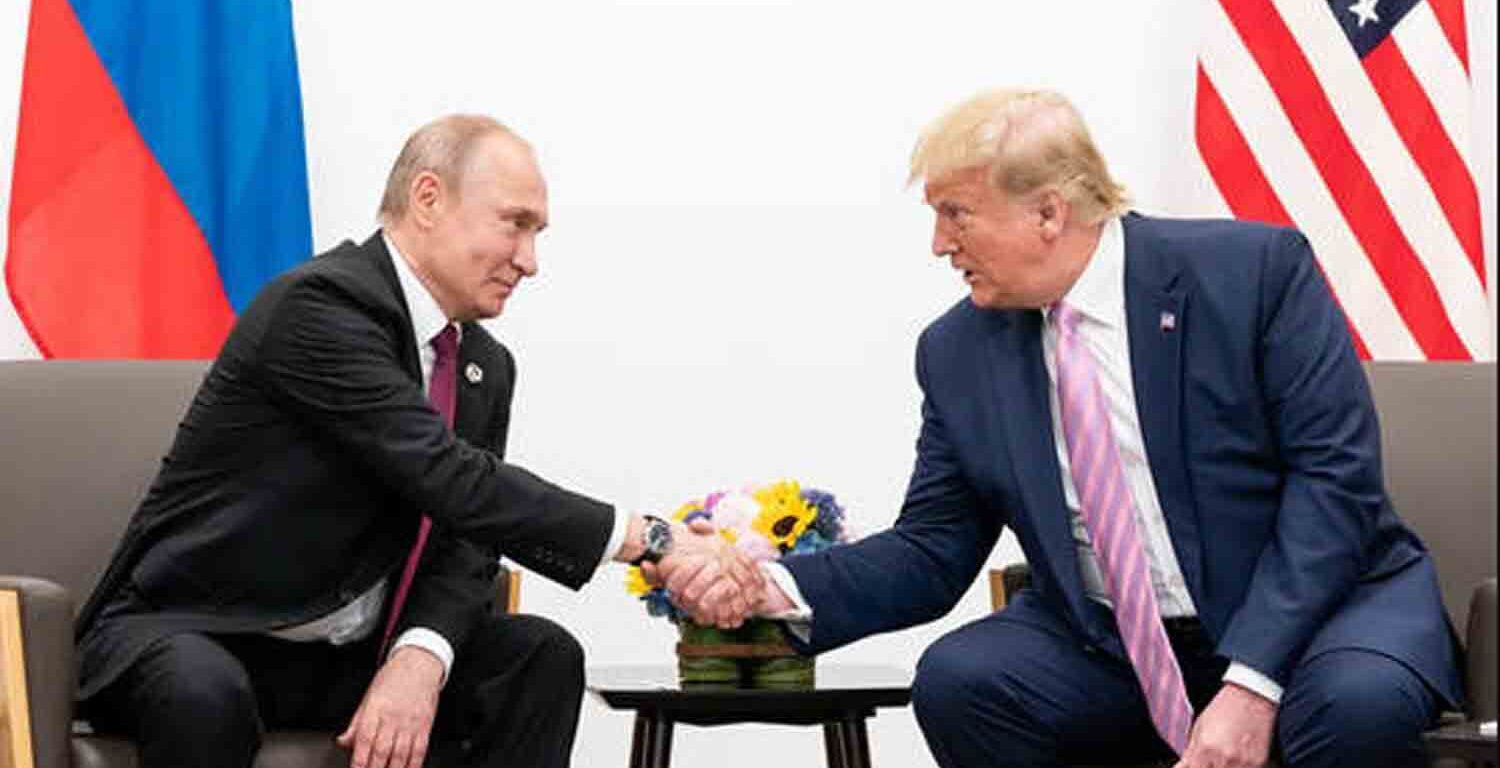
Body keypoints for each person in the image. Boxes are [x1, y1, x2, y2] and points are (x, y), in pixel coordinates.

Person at [660, 89, 1460, 768]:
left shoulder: (1253, 275)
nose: (940, 244)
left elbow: (1334, 486)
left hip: (1321, 615)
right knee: (964, 683)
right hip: (1114, 644)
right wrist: (769, 582)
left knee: (1354, 709)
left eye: (956, 214)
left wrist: (1252, 682)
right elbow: (935, 546)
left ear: (1049, 211)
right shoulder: (957, 350)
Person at [75, 114, 760, 768]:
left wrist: (420, 654)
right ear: (428, 198)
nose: (530, 261)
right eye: (515, 225)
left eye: (538, 233)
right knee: (205, 694)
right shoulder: (316, 309)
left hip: (339, 654)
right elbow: (451, 477)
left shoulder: (483, 364)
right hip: (198, 630)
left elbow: (466, 538)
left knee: (537, 657)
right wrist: (652, 541)